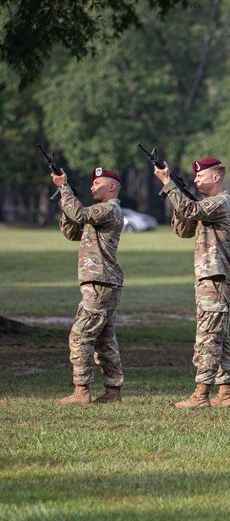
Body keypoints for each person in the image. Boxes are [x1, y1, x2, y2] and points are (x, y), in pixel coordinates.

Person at [154, 157, 230, 409]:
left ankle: (201, 394)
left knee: (208, 338)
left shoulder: (222, 202)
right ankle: (225, 394)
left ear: (216, 177)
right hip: (208, 276)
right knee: (219, 337)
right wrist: (177, 196)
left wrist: (169, 183)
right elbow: (183, 230)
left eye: (200, 176)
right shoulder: (204, 205)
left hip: (217, 277)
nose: (195, 180)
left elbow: (190, 210)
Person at [51, 167, 125, 405]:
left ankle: (81, 391)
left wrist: (64, 188)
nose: (92, 186)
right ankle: (113, 392)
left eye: (98, 183)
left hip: (99, 282)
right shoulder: (98, 213)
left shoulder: (110, 209)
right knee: (104, 340)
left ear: (112, 187)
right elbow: (72, 231)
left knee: (79, 336)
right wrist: (66, 201)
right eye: (91, 184)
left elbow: (80, 214)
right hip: (102, 282)